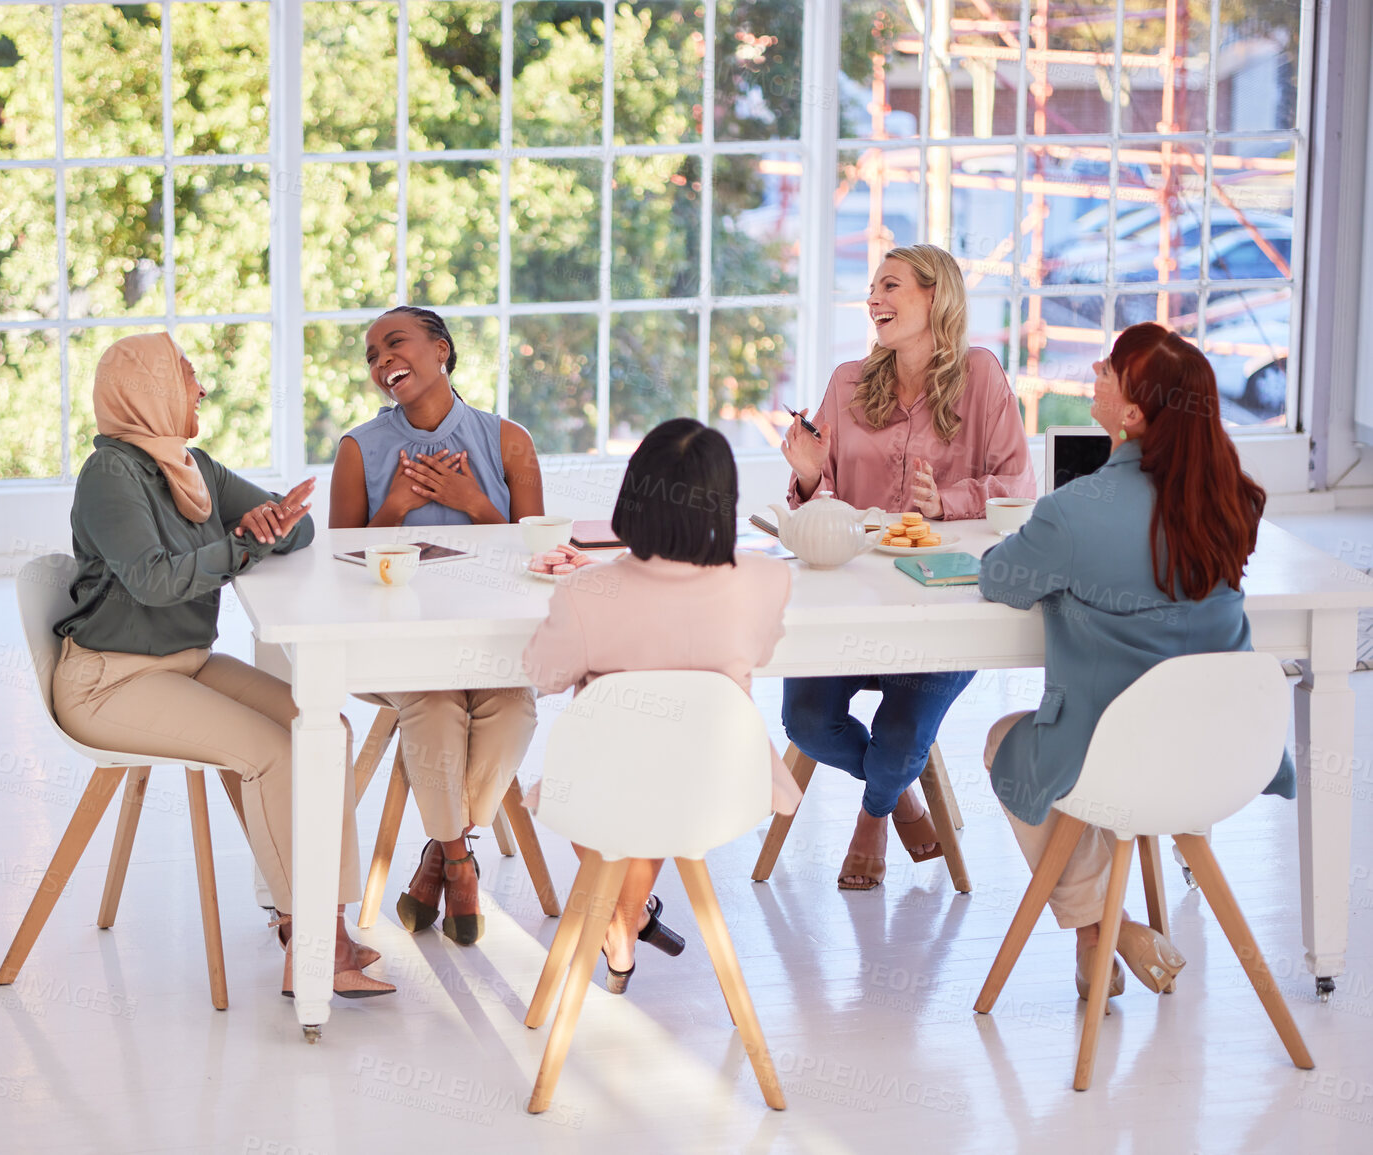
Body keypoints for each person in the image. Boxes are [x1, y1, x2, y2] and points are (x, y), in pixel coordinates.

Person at [53, 332, 392, 998]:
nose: (201, 388)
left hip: (184, 662)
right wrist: (242, 544)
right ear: (146, 389)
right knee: (275, 750)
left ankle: (326, 923)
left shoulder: (193, 466)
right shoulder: (110, 475)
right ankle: (311, 940)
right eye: (186, 377)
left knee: (324, 728)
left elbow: (294, 528)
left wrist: (270, 523)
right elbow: (152, 580)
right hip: (110, 680)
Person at [979, 321, 1294, 999]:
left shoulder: (1071, 512)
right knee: (1097, 747)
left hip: (1116, 765)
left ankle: (1108, 927)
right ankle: (1106, 931)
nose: (1094, 366)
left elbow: (999, 579)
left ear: (1130, 413)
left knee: (1007, 739)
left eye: (1109, 366)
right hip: (1219, 760)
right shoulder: (1231, 504)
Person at [779, 243, 1037, 889]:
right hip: (850, 602)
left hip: (944, 606)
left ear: (933, 296)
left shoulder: (981, 375)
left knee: (898, 735)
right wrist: (810, 476)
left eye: (889, 285)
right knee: (805, 721)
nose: (874, 299)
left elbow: (1018, 486)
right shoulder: (845, 381)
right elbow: (821, 504)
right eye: (871, 288)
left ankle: (871, 818)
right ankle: (899, 798)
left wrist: (946, 502)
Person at [522, 418, 799, 992]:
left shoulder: (584, 595)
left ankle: (622, 922)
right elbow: (761, 649)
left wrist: (595, 588)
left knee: (612, 787)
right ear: (723, 504)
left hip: (605, 793)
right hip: (719, 789)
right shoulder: (768, 580)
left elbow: (541, 675)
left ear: (632, 497)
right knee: (663, 775)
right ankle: (630, 920)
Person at [329, 306, 542, 945]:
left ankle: (441, 852)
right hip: (394, 648)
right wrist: (395, 506)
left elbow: (537, 559)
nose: (381, 361)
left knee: (514, 708)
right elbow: (334, 574)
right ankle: (459, 861)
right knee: (433, 703)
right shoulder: (357, 449)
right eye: (370, 355)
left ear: (441, 350)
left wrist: (472, 503)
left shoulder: (509, 442)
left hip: (488, 642)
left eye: (395, 343)